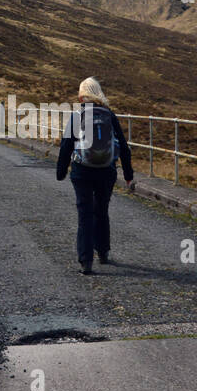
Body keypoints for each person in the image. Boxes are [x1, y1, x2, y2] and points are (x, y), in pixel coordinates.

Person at [56, 77, 135, 275]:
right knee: (101, 210)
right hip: (106, 171)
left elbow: (66, 146)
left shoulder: (77, 115)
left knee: (85, 213)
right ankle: (103, 251)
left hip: (82, 171)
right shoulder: (109, 115)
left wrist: (61, 171)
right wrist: (128, 174)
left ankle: (86, 260)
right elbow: (124, 147)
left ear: (82, 95)